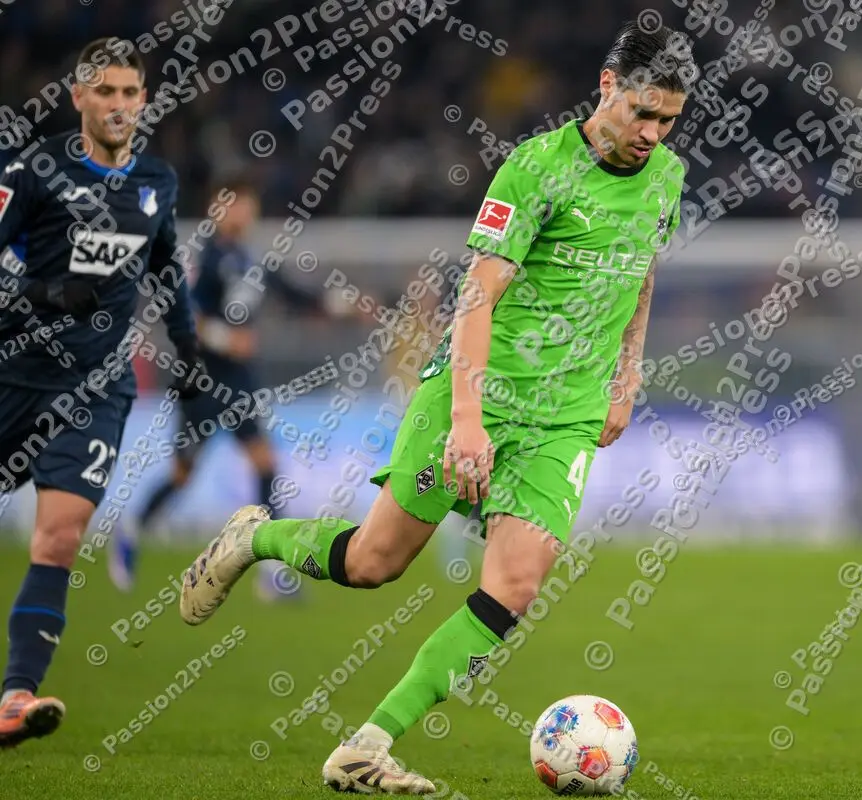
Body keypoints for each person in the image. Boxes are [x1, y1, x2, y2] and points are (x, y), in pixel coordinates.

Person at [178, 20, 692, 794]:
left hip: (567, 416)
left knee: (516, 586)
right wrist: (467, 421)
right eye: (643, 112)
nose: (652, 133)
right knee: (373, 562)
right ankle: (255, 537)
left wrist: (627, 373)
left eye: (668, 120)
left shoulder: (667, 178)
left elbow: (640, 271)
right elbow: (477, 296)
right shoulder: (536, 169)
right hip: (480, 394)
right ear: (607, 87)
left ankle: (367, 746)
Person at [0, 37, 205, 746]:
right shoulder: (33, 171)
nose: (119, 105)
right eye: (106, 92)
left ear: (144, 100)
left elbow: (165, 266)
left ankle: (15, 697)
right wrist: (46, 292)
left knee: (59, 537)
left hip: (93, 387)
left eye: (130, 93)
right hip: (13, 372)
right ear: (78, 97)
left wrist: (187, 348)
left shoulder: (157, 181)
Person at [107, 179, 329, 601]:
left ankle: (272, 572)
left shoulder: (249, 258)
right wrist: (227, 339)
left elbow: (291, 293)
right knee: (183, 475)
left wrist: (334, 304)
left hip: (238, 381)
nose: (244, 213)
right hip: (201, 380)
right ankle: (132, 528)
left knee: (265, 464)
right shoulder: (200, 256)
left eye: (249, 205)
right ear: (217, 208)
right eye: (236, 204)